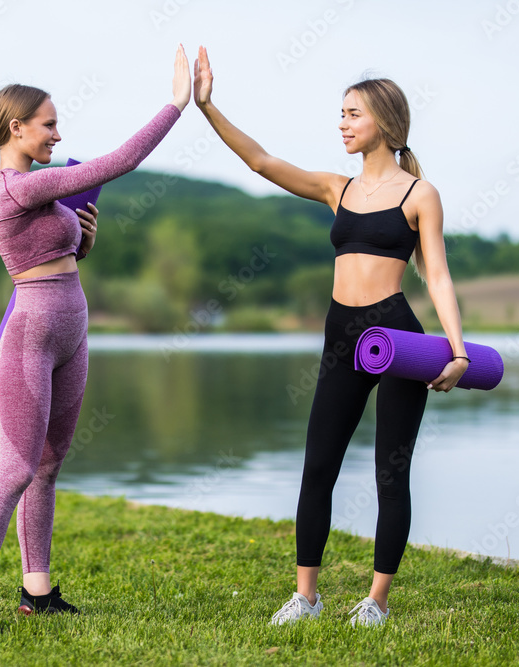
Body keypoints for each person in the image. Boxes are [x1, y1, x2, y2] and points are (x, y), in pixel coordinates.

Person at [193, 46, 469, 627]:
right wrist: (207, 106)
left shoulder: (420, 195)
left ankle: (376, 602)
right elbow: (263, 162)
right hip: (341, 336)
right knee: (318, 465)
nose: (341, 124)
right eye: (341, 114)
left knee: (391, 473)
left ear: (386, 124)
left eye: (352, 114)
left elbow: (438, 274)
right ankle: (307, 596)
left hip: (397, 338)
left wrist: (459, 350)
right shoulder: (335, 189)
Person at [0, 44, 193, 633]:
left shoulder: (40, 187)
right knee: (14, 468)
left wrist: (83, 241)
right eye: (50, 124)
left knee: (48, 464)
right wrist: (175, 106)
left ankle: (36, 590)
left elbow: (62, 251)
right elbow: (116, 163)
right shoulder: (14, 187)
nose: (58, 135)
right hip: (32, 334)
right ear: (17, 127)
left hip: (72, 328)